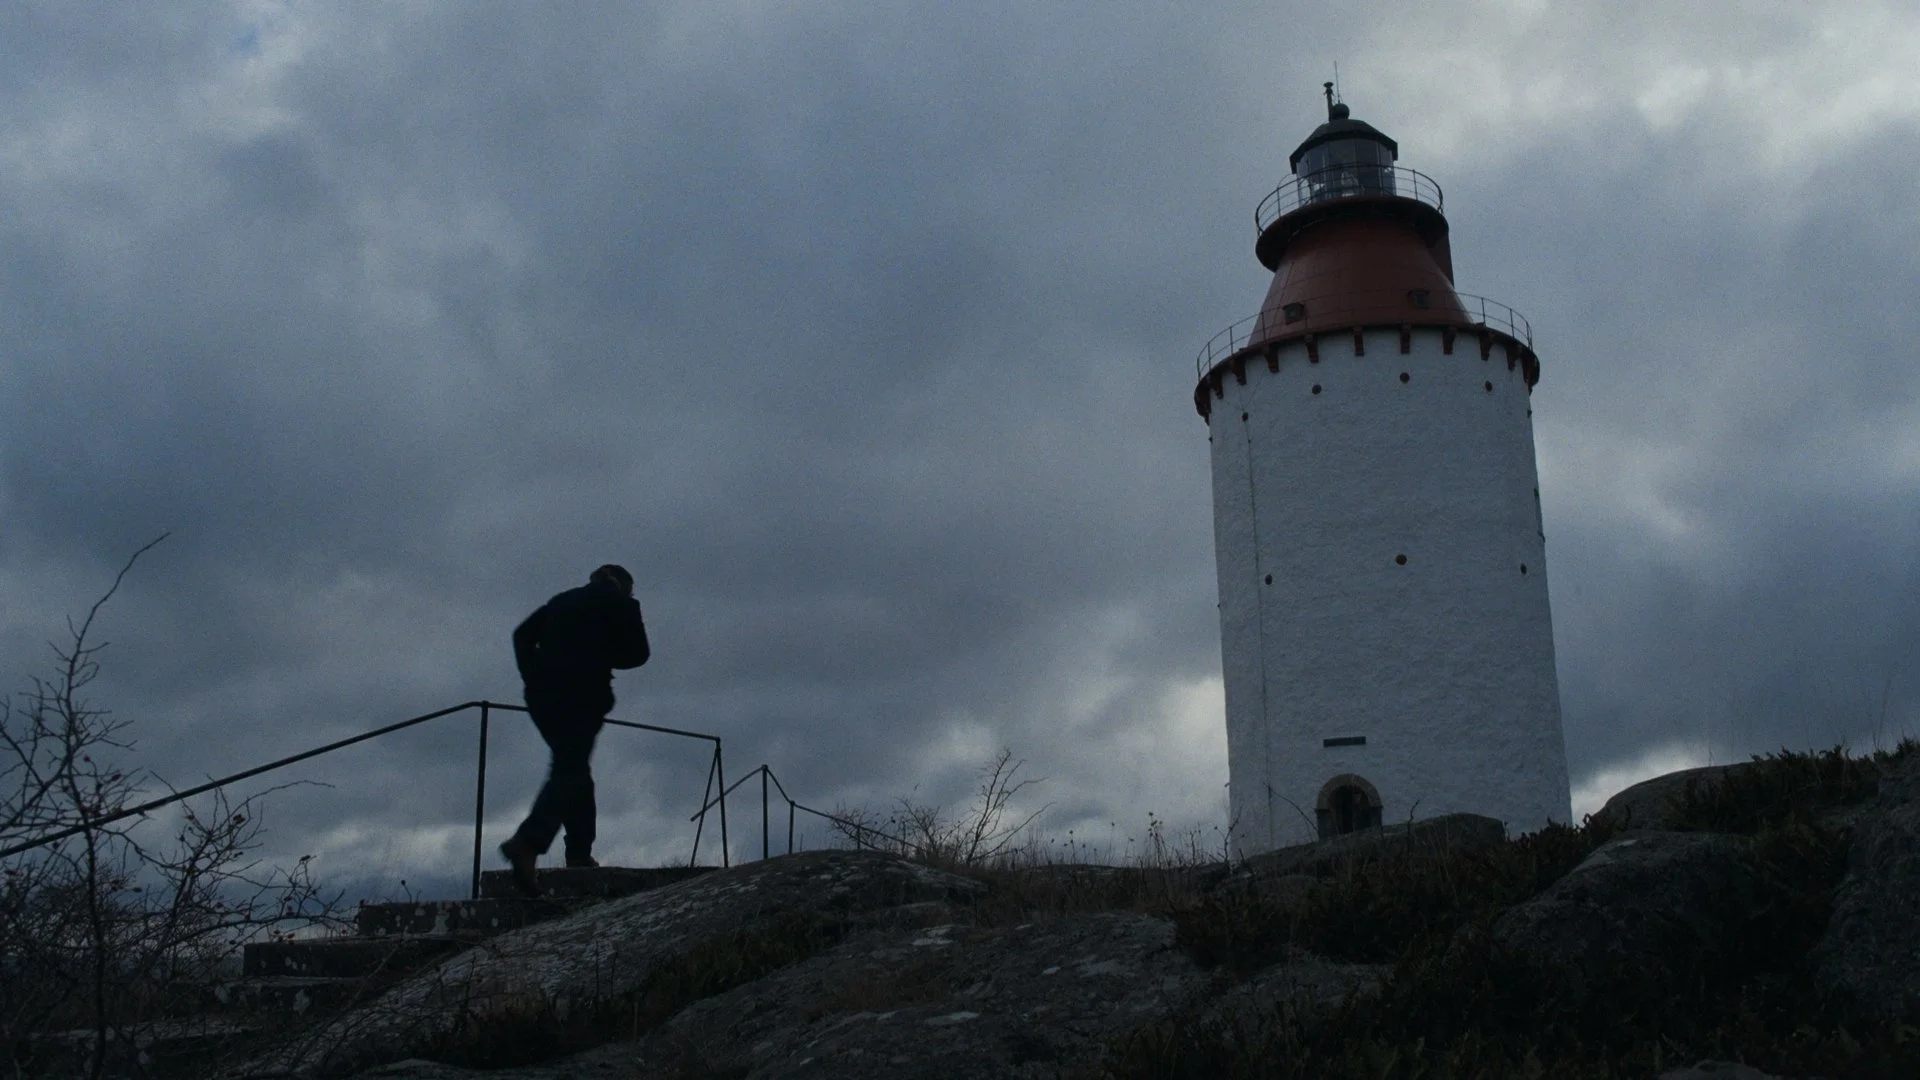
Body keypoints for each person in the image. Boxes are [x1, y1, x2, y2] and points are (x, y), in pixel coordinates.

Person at [498, 563, 650, 896]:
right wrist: (608, 646)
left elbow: (521, 635)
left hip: (541, 698)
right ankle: (527, 842)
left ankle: (579, 853)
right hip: (582, 698)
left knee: (574, 769)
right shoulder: (620, 604)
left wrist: (533, 676)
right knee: (569, 771)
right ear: (620, 585)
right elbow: (639, 653)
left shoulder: (562, 600)